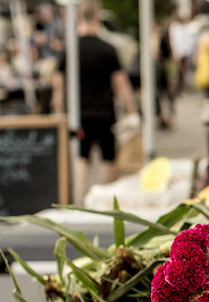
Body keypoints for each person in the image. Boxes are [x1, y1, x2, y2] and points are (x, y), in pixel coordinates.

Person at [52, 0, 137, 203]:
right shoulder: (108, 49)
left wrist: (58, 108)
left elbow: (58, 83)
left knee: (80, 157)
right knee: (109, 157)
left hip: (78, 114)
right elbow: (121, 83)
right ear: (98, 18)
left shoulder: (70, 48)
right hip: (105, 113)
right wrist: (132, 110)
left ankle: (79, 201)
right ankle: (108, 202)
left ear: (79, 17)